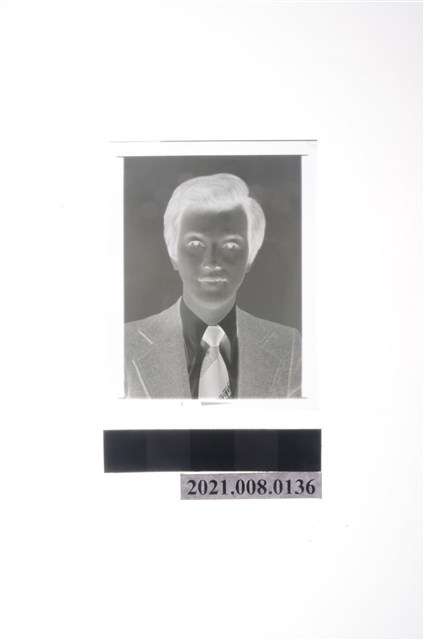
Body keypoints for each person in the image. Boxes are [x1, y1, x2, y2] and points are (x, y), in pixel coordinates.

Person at [125, 173, 301, 399]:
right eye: (196, 243)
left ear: (250, 258)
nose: (212, 262)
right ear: (174, 255)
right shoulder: (122, 346)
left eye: (230, 245)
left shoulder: (289, 348)